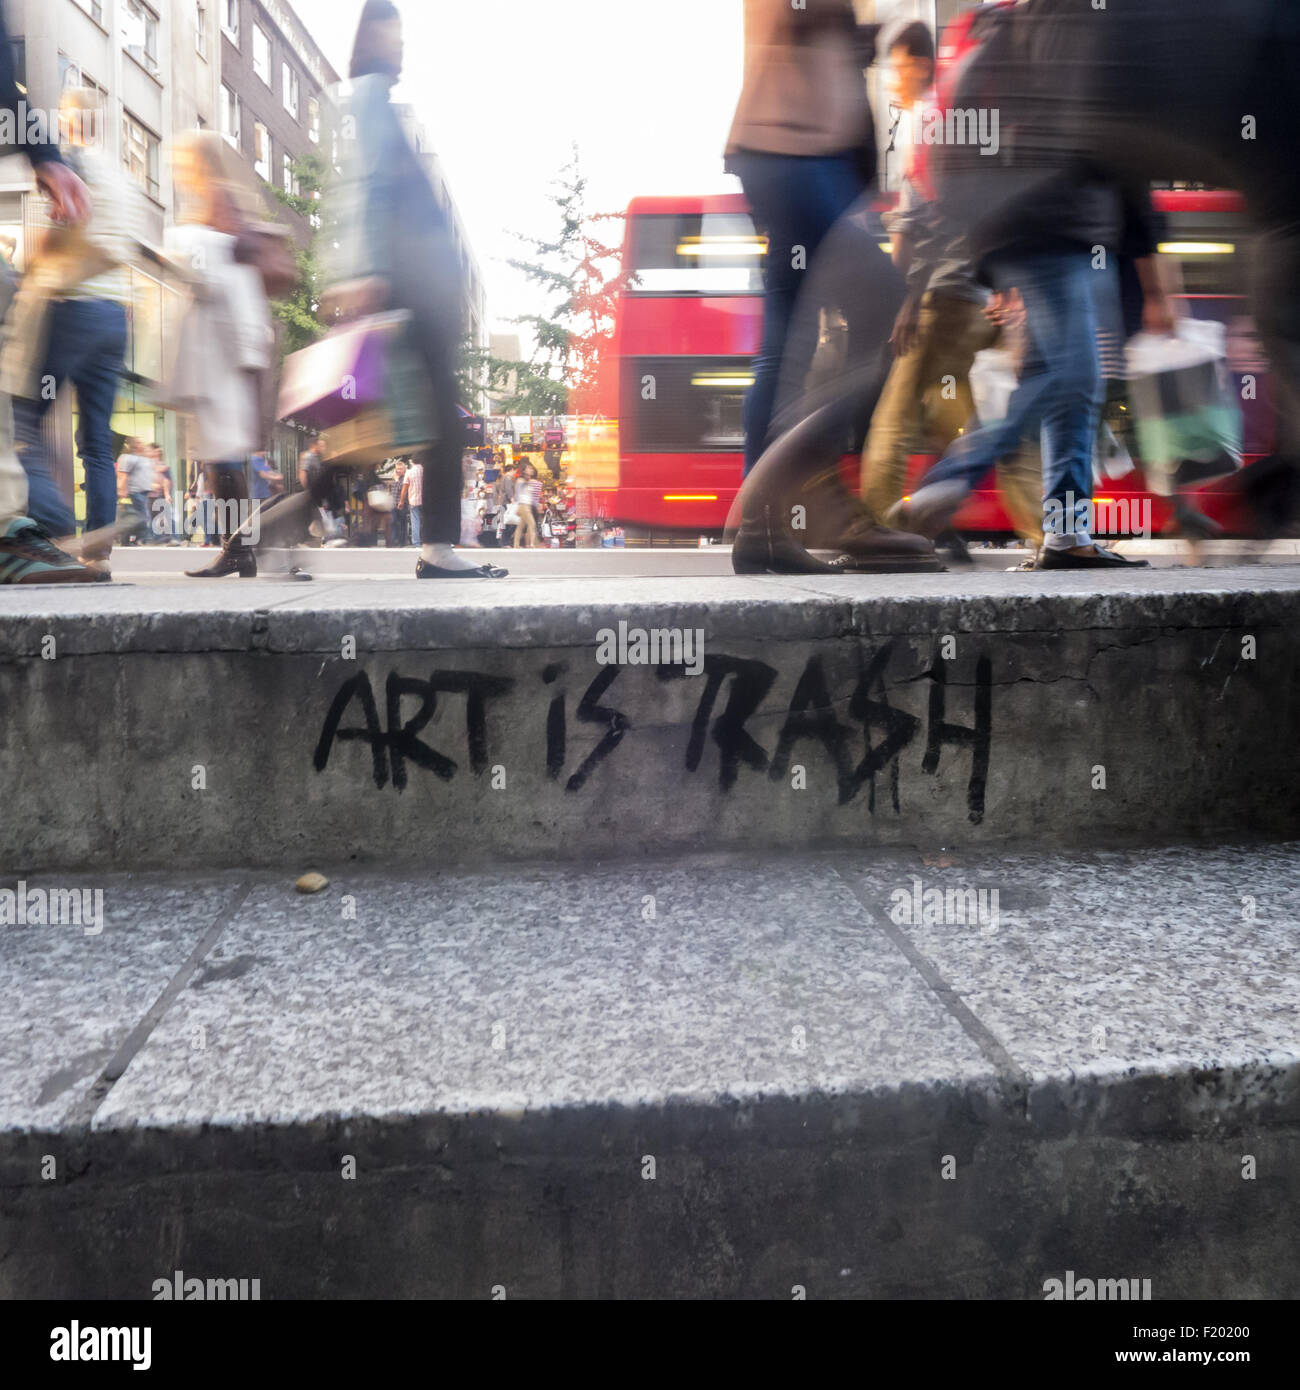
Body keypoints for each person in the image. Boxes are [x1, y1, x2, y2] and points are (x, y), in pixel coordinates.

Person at [724, 0, 937, 573]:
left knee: (781, 350)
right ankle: (816, 498)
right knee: (886, 311)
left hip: (790, 151)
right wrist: (859, 28)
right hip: (798, 148)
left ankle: (763, 528)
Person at [322, 0, 504, 579]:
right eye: (389, 32)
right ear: (368, 38)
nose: (399, 44)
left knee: (394, 420)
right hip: (408, 286)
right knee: (429, 420)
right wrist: (368, 270)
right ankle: (437, 549)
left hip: (416, 285)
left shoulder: (377, 101)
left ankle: (294, 506)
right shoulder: (371, 97)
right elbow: (366, 186)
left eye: (400, 33)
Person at [0, 23, 109, 584]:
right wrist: (44, 153)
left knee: (31, 423)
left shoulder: (84, 160)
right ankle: (45, 527)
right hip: (103, 313)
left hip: (71, 307)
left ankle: (27, 526)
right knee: (85, 439)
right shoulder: (106, 166)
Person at [159, 132, 274, 579]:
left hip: (221, 348)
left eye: (182, 162)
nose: (178, 171)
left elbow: (210, 276)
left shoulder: (215, 205)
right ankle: (240, 549)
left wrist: (175, 253)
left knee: (221, 453)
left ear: (198, 164)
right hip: (228, 345)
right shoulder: (225, 204)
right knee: (220, 452)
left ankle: (239, 549)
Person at [116, 439, 156, 548]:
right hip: (134, 492)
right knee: (140, 517)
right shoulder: (128, 458)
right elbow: (122, 475)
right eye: (138, 442)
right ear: (133, 445)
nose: (142, 443)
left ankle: (130, 539)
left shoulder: (143, 458)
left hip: (143, 493)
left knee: (138, 517)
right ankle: (134, 539)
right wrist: (121, 489)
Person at [513, 461, 540, 548]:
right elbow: (517, 494)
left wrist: (536, 505)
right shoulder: (520, 480)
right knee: (532, 524)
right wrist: (517, 506)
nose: (531, 470)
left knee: (521, 526)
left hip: (527, 505)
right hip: (523, 505)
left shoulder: (528, 481)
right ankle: (532, 544)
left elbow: (530, 496)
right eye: (529, 468)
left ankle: (516, 545)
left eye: (531, 468)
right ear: (524, 470)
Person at [398, 456, 423, 546]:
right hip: (425, 501)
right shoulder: (425, 471)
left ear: (412, 461)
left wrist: (401, 501)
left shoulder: (409, 472)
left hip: (413, 501)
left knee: (415, 521)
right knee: (425, 521)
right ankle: (427, 540)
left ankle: (416, 543)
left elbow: (404, 489)